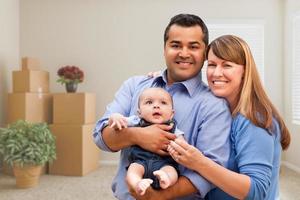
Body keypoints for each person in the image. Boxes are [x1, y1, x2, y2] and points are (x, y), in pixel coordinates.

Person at [93, 13, 232, 200]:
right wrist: (138, 135)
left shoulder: (214, 106)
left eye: (193, 46)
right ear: (165, 49)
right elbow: (101, 136)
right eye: (175, 45)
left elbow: (210, 171)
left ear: (205, 53)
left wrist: (157, 197)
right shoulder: (135, 86)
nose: (184, 53)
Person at [167, 35, 291, 200]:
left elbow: (256, 191)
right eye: (212, 65)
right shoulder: (218, 111)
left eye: (227, 65)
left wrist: (199, 162)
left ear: (244, 71)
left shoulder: (253, 120)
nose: (217, 73)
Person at [108, 87, 184, 196]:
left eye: (163, 103)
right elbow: (118, 122)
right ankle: (138, 184)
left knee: (172, 171)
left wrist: (179, 147)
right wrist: (115, 117)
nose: (156, 106)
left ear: (172, 114)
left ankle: (165, 179)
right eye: (149, 102)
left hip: (164, 163)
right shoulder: (136, 121)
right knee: (132, 171)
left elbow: (183, 144)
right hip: (140, 162)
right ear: (139, 112)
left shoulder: (173, 128)